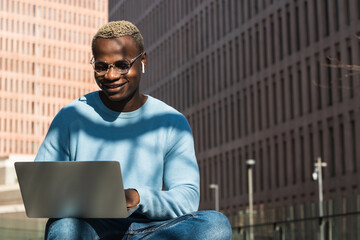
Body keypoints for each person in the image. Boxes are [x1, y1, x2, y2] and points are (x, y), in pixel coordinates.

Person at [35, 20, 232, 240]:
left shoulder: (171, 122)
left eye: (122, 64)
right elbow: (40, 189)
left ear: (143, 61)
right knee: (65, 227)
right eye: (101, 66)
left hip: (150, 230)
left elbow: (186, 199)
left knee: (215, 225)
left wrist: (137, 198)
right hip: (91, 230)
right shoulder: (71, 117)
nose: (110, 75)